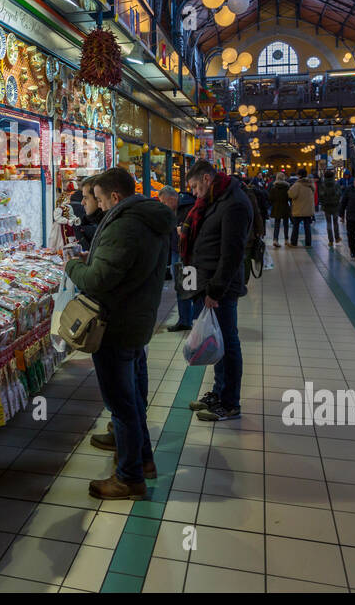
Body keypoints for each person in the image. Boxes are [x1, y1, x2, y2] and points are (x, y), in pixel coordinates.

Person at [64, 168, 174, 500]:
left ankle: (129, 477)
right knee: (133, 395)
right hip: (135, 320)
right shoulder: (148, 218)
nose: (93, 203)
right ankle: (143, 461)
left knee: (122, 402)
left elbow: (98, 280)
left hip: (116, 324)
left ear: (114, 197)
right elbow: (121, 268)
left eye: (96, 198)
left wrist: (73, 265)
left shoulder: (125, 225)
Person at [180, 159, 253, 422]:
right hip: (206, 282)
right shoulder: (216, 200)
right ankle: (219, 391)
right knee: (217, 342)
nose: (194, 193)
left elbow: (232, 254)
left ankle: (230, 403)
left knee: (228, 344)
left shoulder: (234, 204)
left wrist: (215, 290)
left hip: (219, 287)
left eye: (196, 187)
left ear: (208, 179)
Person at [159, 186, 197, 332]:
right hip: (177, 251)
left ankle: (190, 319)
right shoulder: (175, 209)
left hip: (187, 253)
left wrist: (183, 231)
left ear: (172, 199)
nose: (163, 205)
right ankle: (185, 319)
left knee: (187, 287)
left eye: (164, 202)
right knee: (181, 287)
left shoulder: (188, 208)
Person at [288, 169, 316, 248]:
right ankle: (308, 243)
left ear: (299, 175)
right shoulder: (311, 184)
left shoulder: (298, 184)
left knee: (296, 226)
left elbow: (291, 195)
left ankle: (293, 243)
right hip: (308, 209)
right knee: (307, 227)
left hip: (299, 208)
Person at [75, 176, 103, 251]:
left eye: (86, 198)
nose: (82, 203)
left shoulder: (103, 228)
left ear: (98, 198)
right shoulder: (91, 224)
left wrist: (73, 262)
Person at [318, 170, 341, 246]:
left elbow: (320, 196)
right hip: (335, 206)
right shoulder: (336, 184)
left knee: (328, 223)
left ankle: (330, 240)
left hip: (326, 207)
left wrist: (323, 203)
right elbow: (339, 194)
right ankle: (337, 238)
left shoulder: (322, 184)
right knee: (335, 223)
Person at [268, 172, 291, 247]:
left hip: (276, 207)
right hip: (285, 206)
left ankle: (275, 239)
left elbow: (270, 198)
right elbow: (289, 198)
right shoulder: (287, 187)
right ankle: (286, 240)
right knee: (286, 224)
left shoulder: (273, 187)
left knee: (277, 224)